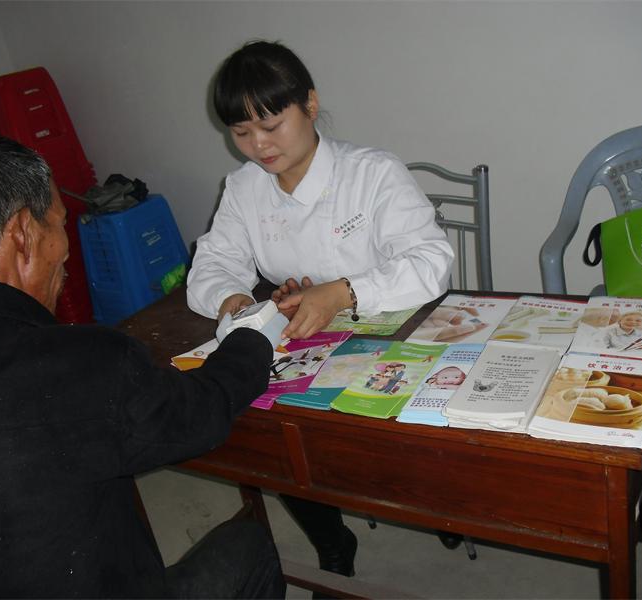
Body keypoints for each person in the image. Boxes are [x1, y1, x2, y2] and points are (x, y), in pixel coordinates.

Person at [0, 135, 286, 599]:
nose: (67, 251)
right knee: (248, 545)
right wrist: (253, 337)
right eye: (60, 223)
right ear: (23, 233)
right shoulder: (82, 364)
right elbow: (201, 411)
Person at [185, 40, 453, 582]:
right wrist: (236, 301)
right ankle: (331, 538)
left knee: (398, 457)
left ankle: (438, 511)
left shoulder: (372, 173)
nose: (259, 146)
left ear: (309, 104)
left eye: (271, 125)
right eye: (241, 132)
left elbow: (432, 264)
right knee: (274, 439)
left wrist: (342, 292)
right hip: (305, 344)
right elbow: (212, 265)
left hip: (396, 338)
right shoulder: (245, 188)